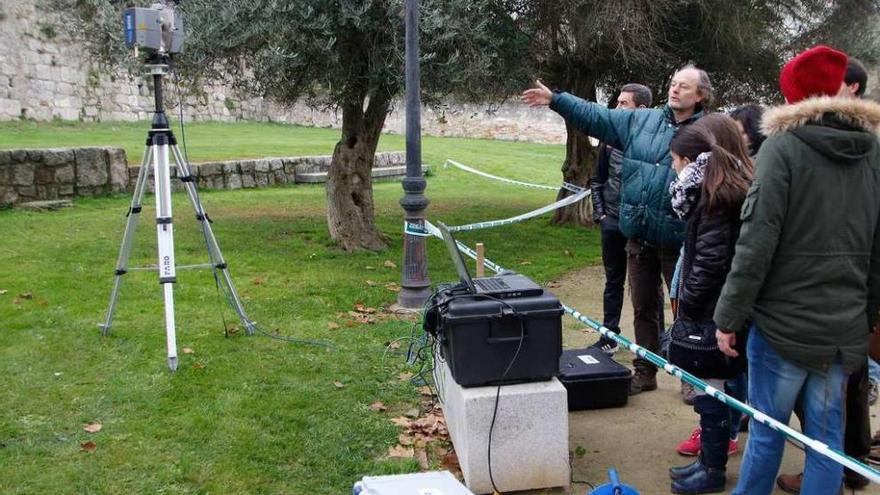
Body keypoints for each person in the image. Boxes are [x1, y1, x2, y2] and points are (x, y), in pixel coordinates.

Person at [714, 45, 880, 495]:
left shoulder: (782, 147)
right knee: (826, 441)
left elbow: (755, 242)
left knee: (768, 434)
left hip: (783, 326)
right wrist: (865, 318)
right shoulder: (874, 151)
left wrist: (728, 317)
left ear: (794, 96)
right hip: (841, 325)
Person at [523, 65, 712, 394]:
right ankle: (645, 369)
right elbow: (597, 116)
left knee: (687, 310)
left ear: (700, 95)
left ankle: (690, 377)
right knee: (642, 308)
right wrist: (557, 100)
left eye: (685, 86)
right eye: (673, 83)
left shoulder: (709, 131)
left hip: (681, 240)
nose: (676, 89)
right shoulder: (641, 120)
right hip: (639, 234)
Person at [775, 55, 876, 494]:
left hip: (842, 285)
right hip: (849, 286)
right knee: (846, 387)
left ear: (849, 89)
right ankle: (845, 466)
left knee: (843, 389)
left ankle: (843, 468)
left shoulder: (855, 143)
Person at [665, 114, 753, 494]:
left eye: (675, 160)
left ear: (693, 159)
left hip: (711, 308)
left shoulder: (717, 195)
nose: (673, 168)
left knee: (712, 387)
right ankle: (708, 460)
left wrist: (690, 306)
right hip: (718, 304)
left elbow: (710, 260)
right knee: (716, 386)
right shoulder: (722, 187)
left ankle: (712, 468)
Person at [589, 83, 653, 354]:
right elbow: (596, 181)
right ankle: (609, 336)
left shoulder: (654, 145)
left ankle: (652, 346)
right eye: (616, 103)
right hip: (612, 221)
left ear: (641, 109)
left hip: (641, 227)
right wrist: (601, 214)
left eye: (622, 104)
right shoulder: (608, 142)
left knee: (647, 289)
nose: (616, 108)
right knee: (613, 282)